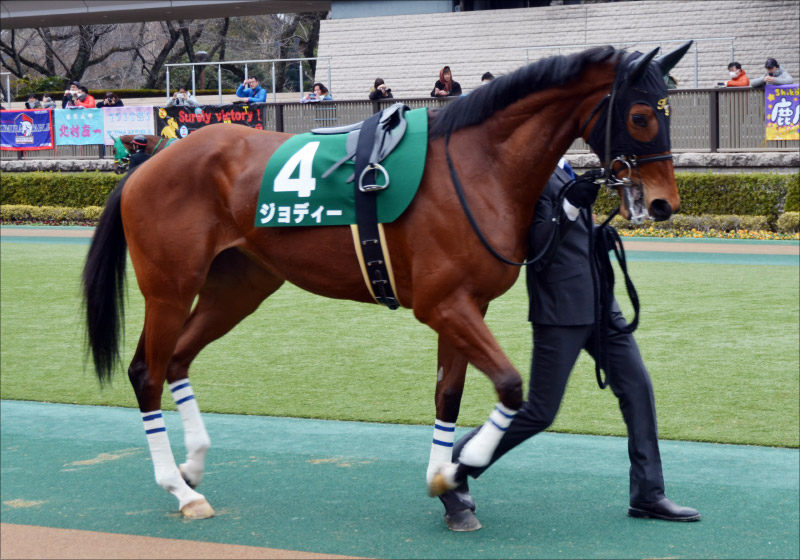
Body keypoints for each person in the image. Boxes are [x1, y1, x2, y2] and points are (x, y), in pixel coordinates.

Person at [437, 159, 701, 530]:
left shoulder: (565, 167)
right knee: (539, 412)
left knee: (638, 388)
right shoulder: (527, 174)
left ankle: (648, 494)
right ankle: (455, 469)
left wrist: (595, 236)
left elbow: (570, 230)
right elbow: (538, 247)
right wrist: (571, 205)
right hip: (560, 310)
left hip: (601, 304)